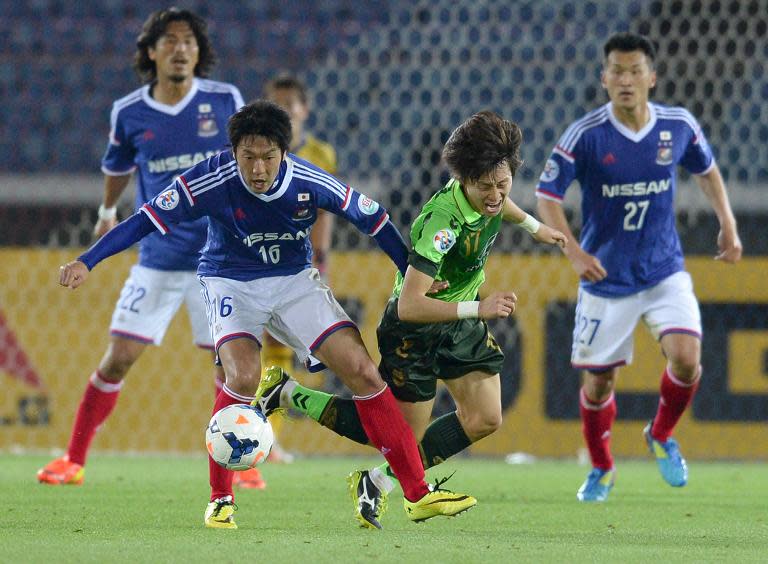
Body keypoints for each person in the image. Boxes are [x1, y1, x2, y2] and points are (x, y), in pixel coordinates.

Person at [58, 100, 477, 529]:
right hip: (229, 280)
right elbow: (145, 220)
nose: (258, 169)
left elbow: (374, 219)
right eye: (248, 157)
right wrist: (87, 261)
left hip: (293, 279)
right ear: (233, 152)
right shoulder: (209, 178)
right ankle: (220, 499)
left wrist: (410, 274)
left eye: (268, 157)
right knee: (241, 377)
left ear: (285, 152)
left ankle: (416, 494)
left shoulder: (308, 179)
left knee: (363, 371)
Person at [251, 110, 567, 529]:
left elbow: (502, 205)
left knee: (485, 417)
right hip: (415, 332)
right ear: (464, 180)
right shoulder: (443, 223)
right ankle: (287, 393)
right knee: (392, 434)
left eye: (502, 183)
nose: (494, 195)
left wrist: (533, 226)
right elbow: (410, 306)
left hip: (458, 322)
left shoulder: (489, 189)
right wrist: (480, 308)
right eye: (485, 186)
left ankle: (376, 482)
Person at [36, 8, 254, 487]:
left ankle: (239, 466)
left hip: (217, 260)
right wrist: (106, 211)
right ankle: (73, 459)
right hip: (157, 258)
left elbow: (248, 164)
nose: (181, 49)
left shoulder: (224, 100)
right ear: (151, 51)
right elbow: (116, 167)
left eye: (190, 42)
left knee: (229, 368)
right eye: (171, 41)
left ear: (199, 54)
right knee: (117, 358)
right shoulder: (130, 111)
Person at [534, 32, 743, 502]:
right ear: (604, 78)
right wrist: (573, 251)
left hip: (663, 269)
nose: (626, 80)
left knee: (688, 360)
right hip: (606, 278)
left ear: (652, 76)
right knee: (599, 382)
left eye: (635, 71)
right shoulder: (585, 136)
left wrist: (728, 224)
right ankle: (602, 468)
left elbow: (706, 171)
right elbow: (546, 197)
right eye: (617, 71)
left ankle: (661, 435)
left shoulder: (678, 125)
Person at [251, 75, 339, 466]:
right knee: (238, 350)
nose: (285, 110)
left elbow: (326, 210)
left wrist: (321, 257)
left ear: (305, 109)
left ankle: (263, 439)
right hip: (252, 257)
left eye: (291, 103)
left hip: (295, 263)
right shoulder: (254, 152)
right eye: (276, 102)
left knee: (279, 348)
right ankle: (248, 432)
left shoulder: (320, 154)